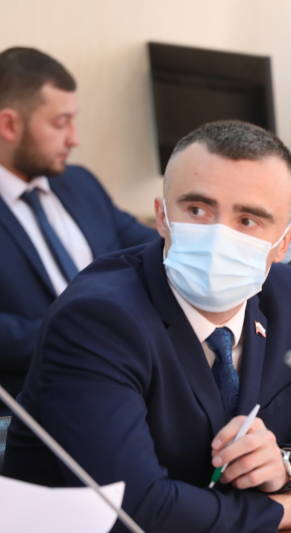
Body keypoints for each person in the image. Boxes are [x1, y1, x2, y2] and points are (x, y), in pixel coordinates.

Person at [3, 121, 291, 532]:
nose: (219, 236)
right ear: (162, 217)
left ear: (284, 244)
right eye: (197, 211)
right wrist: (287, 511)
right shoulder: (98, 318)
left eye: (248, 220)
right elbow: (131, 508)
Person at [0, 47, 157, 401]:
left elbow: (149, 247)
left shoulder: (80, 183)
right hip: (37, 396)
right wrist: (84, 337)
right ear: (9, 125)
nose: (74, 138)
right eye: (60, 123)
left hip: (130, 375)